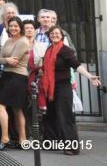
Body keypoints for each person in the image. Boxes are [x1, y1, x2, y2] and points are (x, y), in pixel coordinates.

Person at [40, 25, 101, 156]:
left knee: (65, 117)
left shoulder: (65, 50)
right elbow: (46, 68)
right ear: (49, 36)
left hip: (63, 88)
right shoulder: (49, 50)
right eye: (52, 34)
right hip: (51, 88)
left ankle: (72, 147)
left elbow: (76, 65)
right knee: (50, 116)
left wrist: (90, 76)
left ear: (62, 36)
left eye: (57, 33)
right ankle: (52, 142)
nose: (54, 35)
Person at [0, 16, 30, 150]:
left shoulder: (23, 41)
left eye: (16, 26)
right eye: (11, 26)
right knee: (16, 109)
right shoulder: (8, 40)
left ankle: (5, 139)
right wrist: (6, 59)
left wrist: (6, 59)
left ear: (20, 28)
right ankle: (23, 140)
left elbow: (14, 60)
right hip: (7, 76)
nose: (13, 28)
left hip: (18, 77)